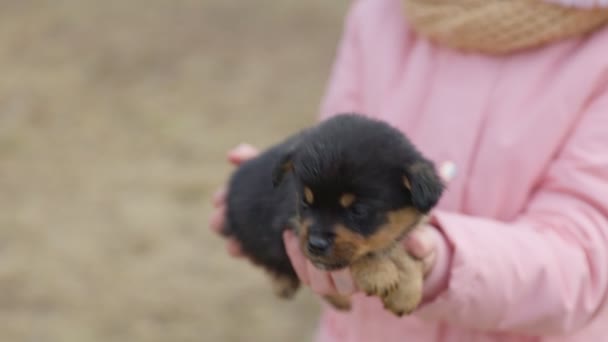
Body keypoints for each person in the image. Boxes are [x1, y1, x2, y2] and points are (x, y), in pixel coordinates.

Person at [209, 0, 608, 341]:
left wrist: (436, 260)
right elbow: (333, 147)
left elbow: (585, 262)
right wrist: (274, 191)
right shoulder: (382, 10)